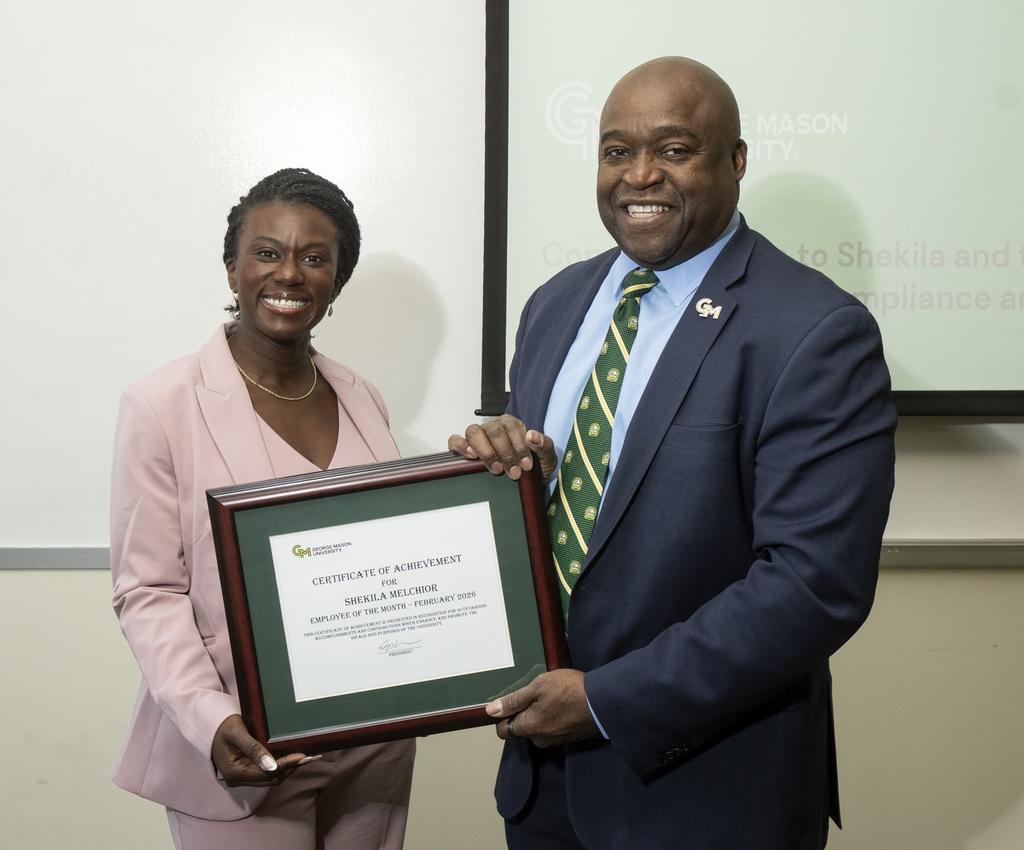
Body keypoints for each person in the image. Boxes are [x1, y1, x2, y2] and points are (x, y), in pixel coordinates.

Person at [449, 57, 896, 849]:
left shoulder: (815, 330)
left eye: (675, 148)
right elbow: (564, 516)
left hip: (708, 795)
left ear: (737, 161)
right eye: (616, 151)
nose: (639, 175)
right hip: (541, 792)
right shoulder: (555, 305)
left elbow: (812, 584)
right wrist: (509, 478)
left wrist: (605, 701)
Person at [110, 168, 415, 849]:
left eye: (315, 258)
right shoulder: (161, 406)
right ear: (232, 269)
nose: (290, 274)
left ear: (337, 280)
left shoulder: (362, 396)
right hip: (240, 748)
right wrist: (211, 719)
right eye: (268, 252)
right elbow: (147, 592)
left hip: (372, 747)